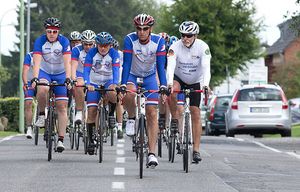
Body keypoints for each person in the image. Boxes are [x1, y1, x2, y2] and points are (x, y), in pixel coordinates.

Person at [120, 13, 168, 167]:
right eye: (138, 28)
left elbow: (161, 67)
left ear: (150, 29)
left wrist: (163, 86)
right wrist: (122, 84)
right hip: (133, 75)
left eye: (145, 28)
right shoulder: (129, 40)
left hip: (149, 77)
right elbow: (126, 64)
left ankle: (152, 153)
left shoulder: (158, 42)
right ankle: (132, 118)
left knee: (152, 112)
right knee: (128, 93)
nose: (141, 31)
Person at [166, 21, 211, 163]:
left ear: (195, 36)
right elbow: (171, 66)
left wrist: (206, 85)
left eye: (189, 35)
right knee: (173, 90)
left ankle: (196, 150)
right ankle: (174, 118)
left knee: (195, 112)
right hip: (179, 77)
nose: (185, 38)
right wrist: (168, 83)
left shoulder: (203, 47)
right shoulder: (175, 46)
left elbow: (206, 67)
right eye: (183, 35)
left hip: (195, 80)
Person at [31, 17, 72, 152]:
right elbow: (36, 62)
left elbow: (67, 62)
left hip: (60, 73)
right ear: (46, 31)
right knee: (42, 88)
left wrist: (68, 78)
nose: (52, 34)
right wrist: (35, 78)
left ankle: (60, 139)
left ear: (58, 32)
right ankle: (42, 115)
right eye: (49, 31)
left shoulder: (64, 41)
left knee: (62, 106)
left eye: (54, 32)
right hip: (45, 71)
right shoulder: (40, 41)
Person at [83, 32, 120, 154]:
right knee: (92, 111)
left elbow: (116, 69)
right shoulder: (91, 53)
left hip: (108, 80)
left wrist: (115, 83)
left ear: (110, 45)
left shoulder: (114, 54)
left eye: (106, 45)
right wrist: (87, 83)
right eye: (100, 45)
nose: (103, 48)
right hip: (94, 82)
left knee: (113, 94)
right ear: (96, 45)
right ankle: (90, 140)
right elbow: (86, 69)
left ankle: (111, 114)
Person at [71, 29, 96, 123]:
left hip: (93, 74)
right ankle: (79, 111)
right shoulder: (76, 50)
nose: (88, 46)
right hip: (80, 73)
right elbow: (72, 66)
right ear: (81, 43)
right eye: (85, 44)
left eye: (90, 44)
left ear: (94, 43)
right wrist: (73, 78)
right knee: (78, 84)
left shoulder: (99, 50)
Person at [111, 38, 124, 139]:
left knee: (119, 100)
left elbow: (122, 69)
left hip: (117, 79)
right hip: (105, 79)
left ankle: (119, 126)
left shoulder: (120, 55)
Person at [22, 52, 34, 139]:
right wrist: (26, 83)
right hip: (30, 82)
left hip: (42, 81)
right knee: (28, 103)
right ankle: (29, 128)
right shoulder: (30, 56)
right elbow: (25, 71)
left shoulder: (49, 55)